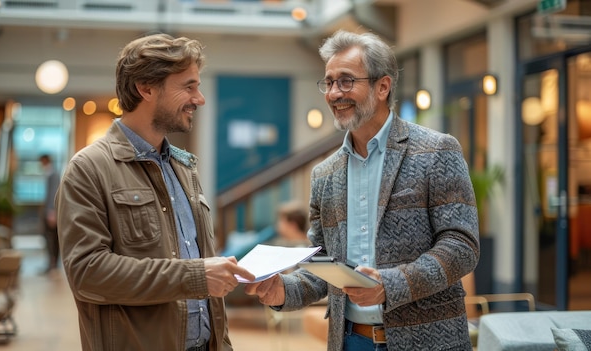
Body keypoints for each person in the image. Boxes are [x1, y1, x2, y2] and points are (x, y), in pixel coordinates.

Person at [245, 29, 480, 351]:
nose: (333, 93)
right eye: (328, 82)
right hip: (350, 341)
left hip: (428, 341)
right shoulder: (324, 174)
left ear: (382, 86)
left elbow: (461, 247)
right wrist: (283, 291)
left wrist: (389, 285)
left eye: (345, 81)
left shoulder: (437, 150)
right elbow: (322, 265)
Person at [55, 33, 255, 351]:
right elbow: (88, 274)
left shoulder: (184, 168)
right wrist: (196, 275)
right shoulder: (88, 169)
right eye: (188, 86)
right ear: (146, 88)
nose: (199, 98)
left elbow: (198, 266)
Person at [39, 154, 60, 273]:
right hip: (48, 210)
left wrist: (52, 211)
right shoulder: (49, 173)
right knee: (49, 237)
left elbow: (54, 193)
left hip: (51, 212)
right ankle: (51, 263)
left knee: (51, 238)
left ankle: (53, 264)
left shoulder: (53, 174)